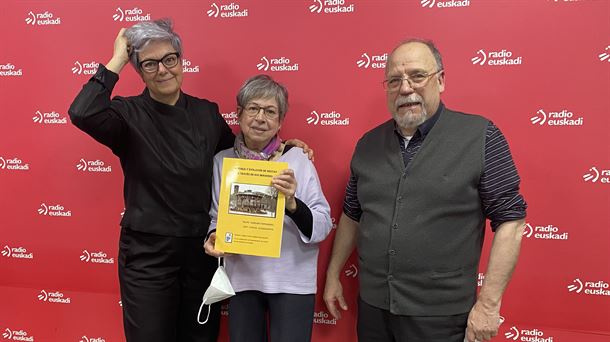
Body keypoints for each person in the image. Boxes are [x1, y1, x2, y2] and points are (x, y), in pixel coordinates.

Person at [69, 20, 310, 342]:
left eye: (170, 59)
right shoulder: (126, 114)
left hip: (201, 251)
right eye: (149, 63)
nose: (163, 70)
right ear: (138, 71)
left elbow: (240, 154)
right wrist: (117, 59)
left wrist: (282, 146)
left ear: (181, 61)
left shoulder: (206, 114)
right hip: (147, 254)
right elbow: (82, 112)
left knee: (200, 338)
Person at [323, 39, 527, 342]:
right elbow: (353, 215)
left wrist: (488, 304)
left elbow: (511, 222)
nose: (405, 89)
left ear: (441, 80)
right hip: (374, 311)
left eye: (417, 76)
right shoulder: (367, 145)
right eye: (394, 80)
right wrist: (333, 274)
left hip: (442, 317)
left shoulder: (481, 137)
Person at [204, 75, 333, 342]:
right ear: (239, 113)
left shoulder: (297, 160)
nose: (261, 118)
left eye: (270, 111)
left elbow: (322, 225)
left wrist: (293, 205)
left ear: (280, 121)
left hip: (291, 281)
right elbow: (216, 216)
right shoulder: (222, 161)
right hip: (242, 279)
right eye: (253, 108)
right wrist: (213, 237)